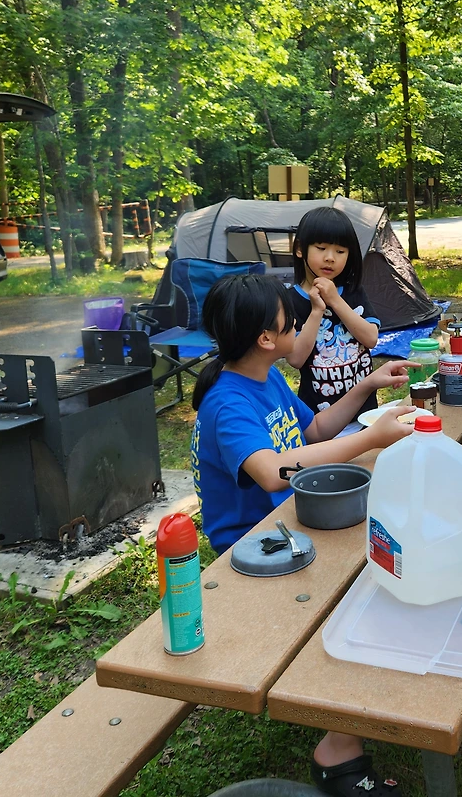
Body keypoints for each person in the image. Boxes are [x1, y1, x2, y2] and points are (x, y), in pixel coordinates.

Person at [190, 272, 417, 797]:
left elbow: (313, 432)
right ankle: (338, 746)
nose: (298, 327)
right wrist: (369, 442)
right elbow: (272, 472)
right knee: (371, 589)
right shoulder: (227, 402)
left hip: (291, 522)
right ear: (266, 338)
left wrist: (367, 387)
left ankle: (359, 708)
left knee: (393, 548)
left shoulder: (264, 375)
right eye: (291, 322)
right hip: (254, 549)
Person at [287, 207, 381, 416]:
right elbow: (295, 359)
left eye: (340, 251)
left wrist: (335, 300)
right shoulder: (290, 301)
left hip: (364, 412)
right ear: (300, 249)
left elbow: (371, 339)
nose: (330, 258)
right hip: (319, 418)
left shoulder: (353, 291)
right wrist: (316, 311)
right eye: (321, 248)